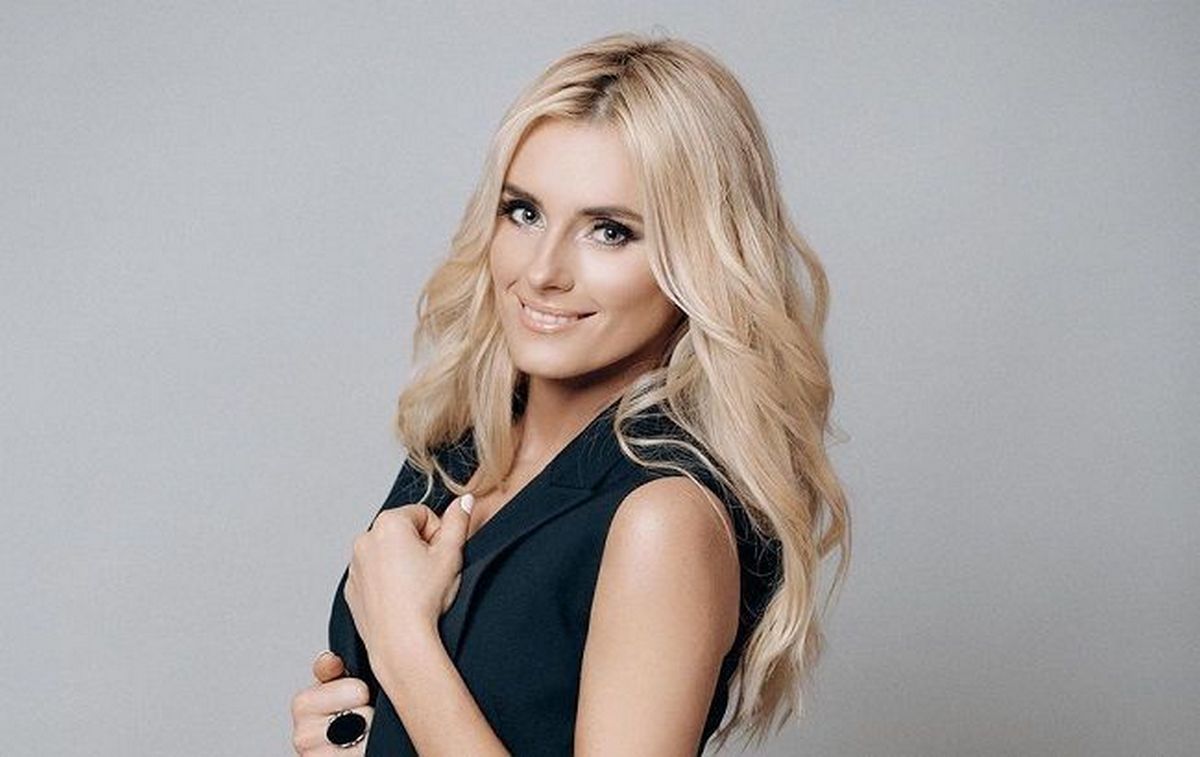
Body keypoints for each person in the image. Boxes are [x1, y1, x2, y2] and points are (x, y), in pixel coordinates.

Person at [290, 31, 850, 755]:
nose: (543, 270)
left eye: (610, 231)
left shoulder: (664, 519)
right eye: (524, 212)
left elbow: (409, 682)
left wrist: (403, 642)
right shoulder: (460, 450)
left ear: (699, 261)